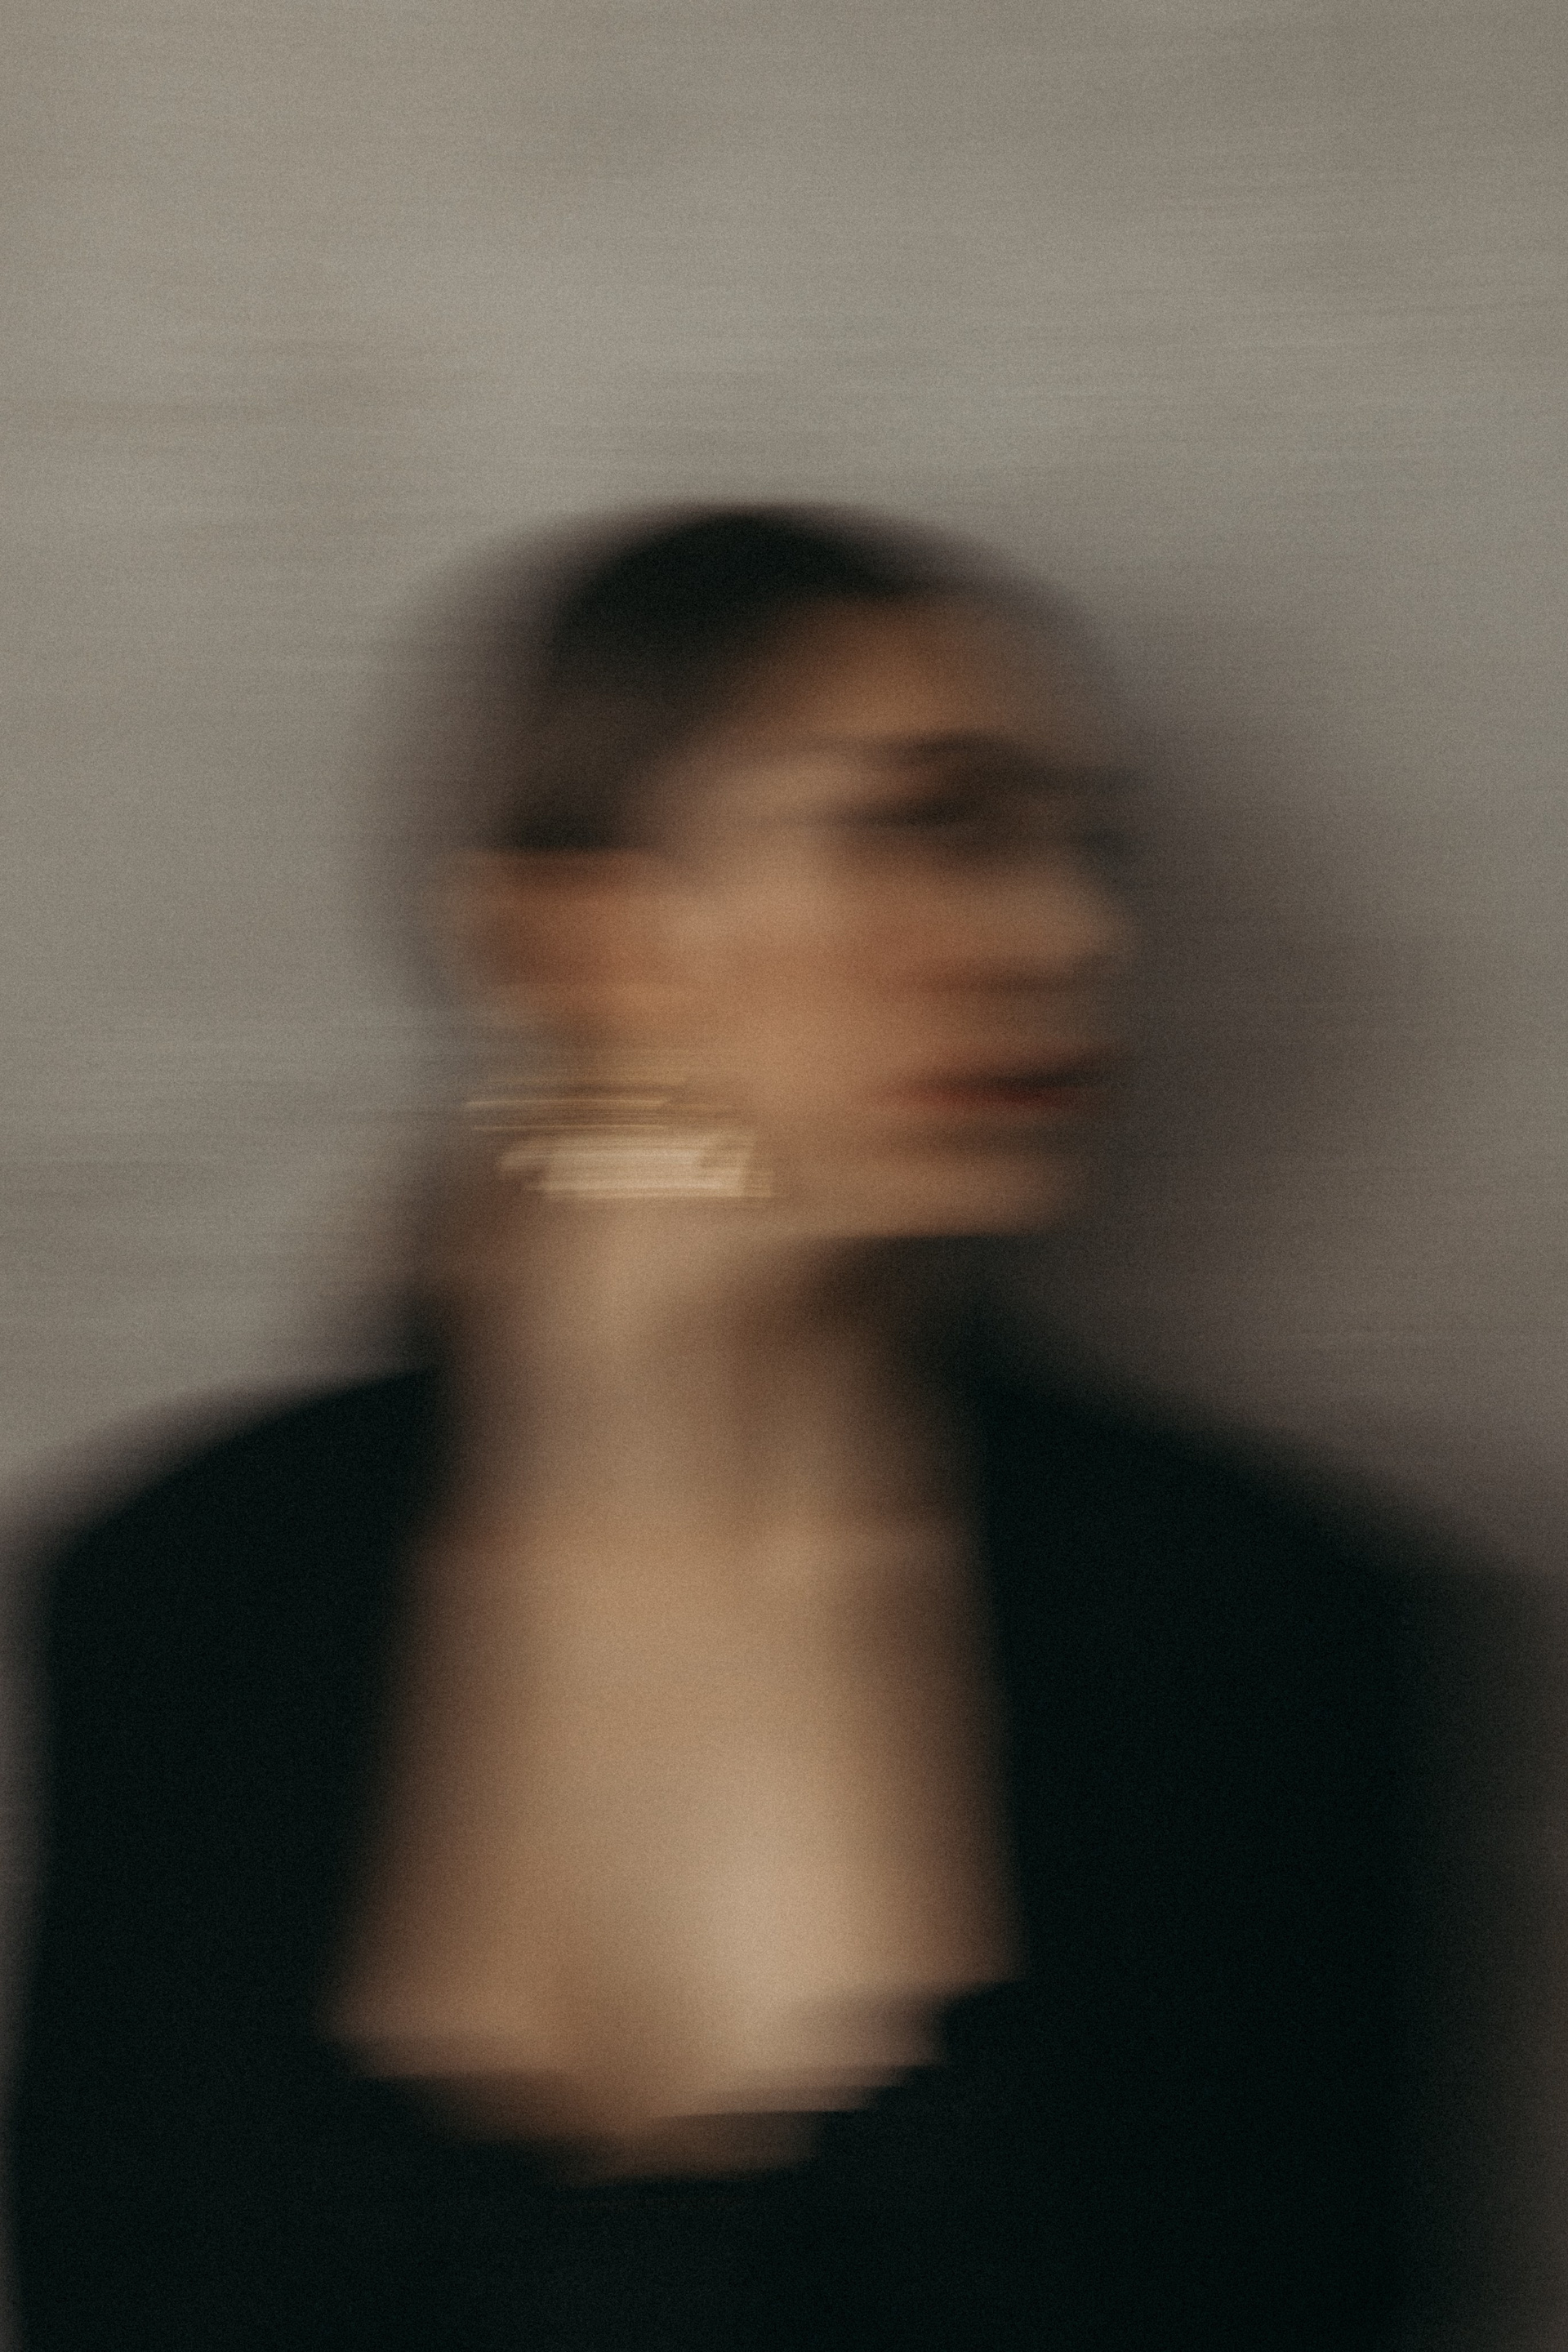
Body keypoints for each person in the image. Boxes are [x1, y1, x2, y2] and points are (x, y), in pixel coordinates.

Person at [7, 506, 1468, 2349]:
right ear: (577, 928)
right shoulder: (186, 1594)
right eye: (931, 824)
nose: (1069, 934)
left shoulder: (1265, 1622)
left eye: (1091, 851)